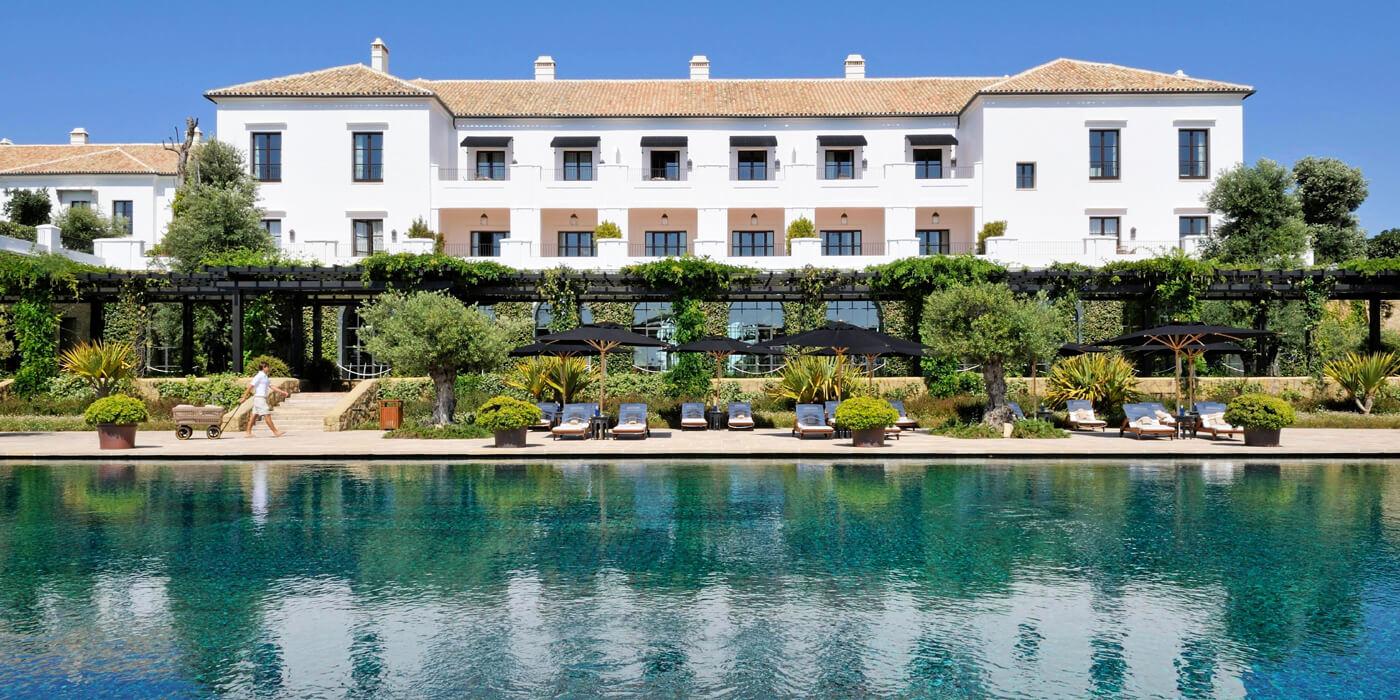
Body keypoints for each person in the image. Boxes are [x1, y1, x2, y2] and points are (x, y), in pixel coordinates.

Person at [242, 361, 289, 437]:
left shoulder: (265, 376)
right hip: (259, 399)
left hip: (260, 399)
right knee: (267, 415)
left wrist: (282, 392)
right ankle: (275, 432)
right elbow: (250, 386)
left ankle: (248, 433)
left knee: (254, 416)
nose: (268, 368)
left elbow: (271, 386)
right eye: (267, 367)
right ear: (264, 367)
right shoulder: (259, 376)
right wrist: (244, 397)